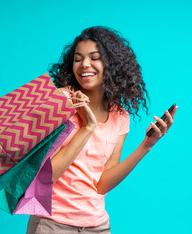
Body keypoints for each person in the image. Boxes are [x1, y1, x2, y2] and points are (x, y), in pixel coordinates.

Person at [27, 26, 178, 234]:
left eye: (94, 57)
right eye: (78, 59)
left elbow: (101, 184)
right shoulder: (60, 102)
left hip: (97, 227)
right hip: (52, 225)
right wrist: (87, 127)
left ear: (111, 64)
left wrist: (146, 145)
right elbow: (44, 177)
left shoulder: (120, 116)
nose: (84, 65)